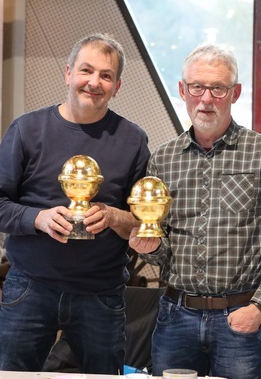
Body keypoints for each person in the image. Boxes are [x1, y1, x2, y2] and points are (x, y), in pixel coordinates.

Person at [129, 44, 261, 379]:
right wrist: (149, 247)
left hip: (240, 319)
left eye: (218, 89)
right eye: (197, 87)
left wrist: (260, 307)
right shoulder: (163, 159)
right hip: (175, 318)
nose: (206, 99)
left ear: (235, 93)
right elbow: (162, 250)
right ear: (183, 90)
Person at [0, 33, 150, 374]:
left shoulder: (133, 140)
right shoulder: (26, 130)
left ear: (117, 86)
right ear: (68, 73)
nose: (94, 82)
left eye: (106, 75)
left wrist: (113, 216)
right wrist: (37, 218)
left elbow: (144, 222)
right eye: (86, 70)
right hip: (29, 288)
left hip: (101, 293)